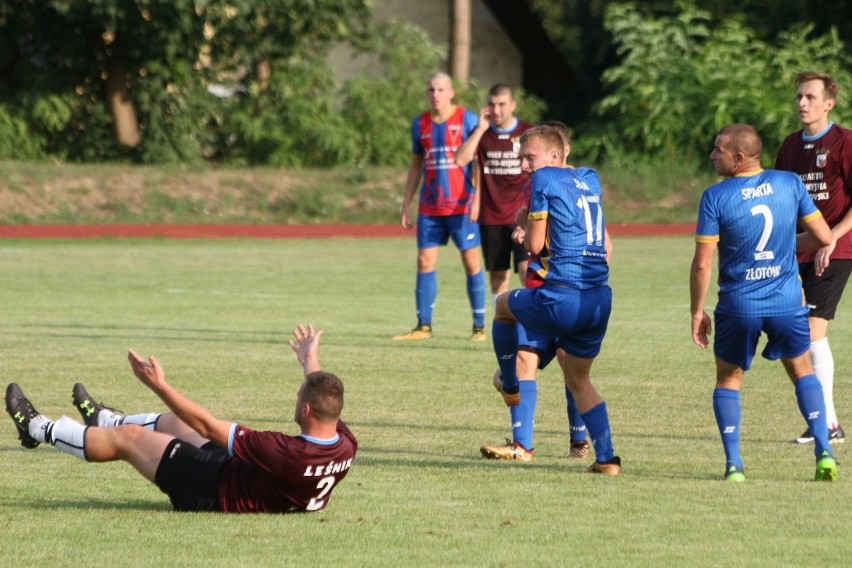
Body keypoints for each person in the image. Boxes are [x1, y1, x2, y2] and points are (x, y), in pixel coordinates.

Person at [4, 324, 358, 512]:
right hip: (243, 475)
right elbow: (322, 400)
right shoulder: (344, 444)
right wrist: (309, 362)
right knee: (178, 424)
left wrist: (160, 385)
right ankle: (104, 420)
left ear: (306, 410)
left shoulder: (283, 452)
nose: (295, 399)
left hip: (211, 490)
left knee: (131, 439)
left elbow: (208, 425)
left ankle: (37, 427)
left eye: (299, 397)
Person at [691, 123, 837, 481]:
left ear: (739, 159)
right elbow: (821, 236)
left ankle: (735, 466)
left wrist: (697, 310)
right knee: (802, 370)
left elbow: (702, 263)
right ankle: (824, 453)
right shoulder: (789, 183)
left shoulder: (715, 197)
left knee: (729, 379)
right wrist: (785, 247)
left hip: (740, 305)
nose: (712, 155)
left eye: (718, 150)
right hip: (787, 302)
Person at [480, 125, 621, 474]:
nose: (525, 165)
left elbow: (535, 246)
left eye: (530, 157)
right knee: (578, 378)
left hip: (561, 295)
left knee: (501, 306)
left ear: (555, 156)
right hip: (599, 299)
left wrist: (524, 226)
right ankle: (607, 459)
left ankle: (511, 390)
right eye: (522, 158)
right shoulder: (590, 178)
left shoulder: (544, 180)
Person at [775, 71, 852, 445]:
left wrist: (832, 238)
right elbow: (782, 199)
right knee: (796, 337)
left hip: (837, 249)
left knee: (811, 331)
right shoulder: (790, 146)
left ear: (829, 103)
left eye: (810, 97)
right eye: (799, 97)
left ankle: (829, 425)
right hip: (797, 251)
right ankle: (824, 423)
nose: (802, 103)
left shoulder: (845, 142)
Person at [394, 72, 487, 341]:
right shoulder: (420, 123)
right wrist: (406, 201)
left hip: (461, 206)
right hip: (430, 206)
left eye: (441, 89)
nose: (436, 94)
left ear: (451, 92)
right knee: (424, 261)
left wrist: (478, 198)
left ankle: (478, 326)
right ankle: (424, 326)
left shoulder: (467, 119)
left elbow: (478, 163)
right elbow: (415, 165)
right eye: (431, 90)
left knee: (471, 262)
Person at [454, 83, 533, 305]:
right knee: (498, 277)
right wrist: (479, 129)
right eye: (492, 104)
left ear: (513, 105)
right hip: (491, 216)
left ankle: (534, 325)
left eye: (502, 104)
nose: (496, 110)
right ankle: (503, 325)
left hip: (524, 215)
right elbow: (460, 160)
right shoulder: (482, 134)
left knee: (527, 272)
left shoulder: (527, 132)